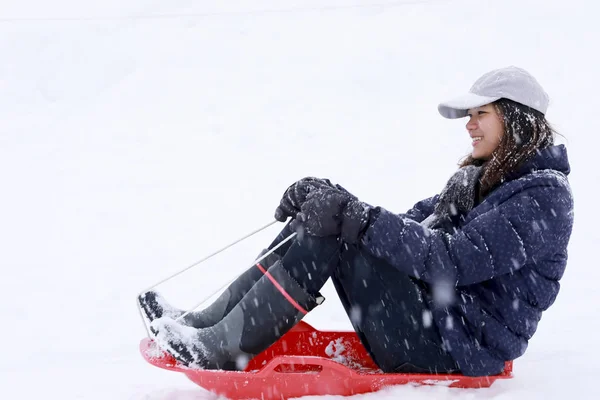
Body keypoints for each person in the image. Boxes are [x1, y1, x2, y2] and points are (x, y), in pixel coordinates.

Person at [138, 66, 574, 377]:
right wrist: (334, 198)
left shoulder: (542, 197)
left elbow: (451, 261)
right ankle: (207, 324)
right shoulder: (478, 181)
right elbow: (407, 229)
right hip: (438, 326)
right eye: (470, 116)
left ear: (515, 119)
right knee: (329, 220)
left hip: (458, 349)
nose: (469, 126)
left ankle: (222, 348)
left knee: (342, 230)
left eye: (481, 114)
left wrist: (351, 217)